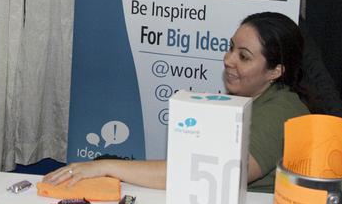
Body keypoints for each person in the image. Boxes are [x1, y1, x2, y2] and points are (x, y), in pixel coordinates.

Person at [44, 11, 309, 193]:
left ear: (275, 71)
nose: (228, 60)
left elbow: (208, 175)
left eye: (244, 57)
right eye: (231, 48)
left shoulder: (281, 112)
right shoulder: (244, 99)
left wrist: (104, 167)